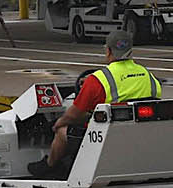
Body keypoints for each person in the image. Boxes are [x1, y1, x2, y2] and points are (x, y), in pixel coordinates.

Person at [29, 28, 160, 179]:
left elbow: (74, 115)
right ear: (130, 51)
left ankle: (50, 166)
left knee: (62, 130)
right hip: (139, 134)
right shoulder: (147, 75)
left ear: (108, 51)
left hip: (106, 138)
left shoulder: (98, 80)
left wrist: (59, 123)